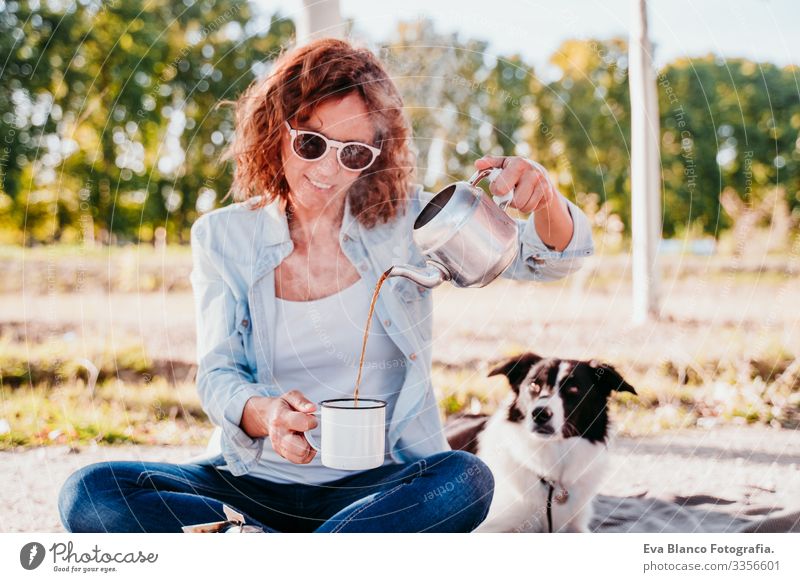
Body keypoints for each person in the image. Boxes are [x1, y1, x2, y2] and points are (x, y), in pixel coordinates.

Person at [58, 37, 593, 533]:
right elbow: (219, 372)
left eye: (354, 152)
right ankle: (326, 552)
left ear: (375, 155)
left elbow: (550, 260)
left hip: (376, 489)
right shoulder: (223, 236)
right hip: (248, 485)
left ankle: (266, 551)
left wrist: (544, 199)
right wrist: (265, 415)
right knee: (91, 493)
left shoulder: (406, 221)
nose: (330, 169)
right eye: (312, 142)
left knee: (463, 480)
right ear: (278, 128)